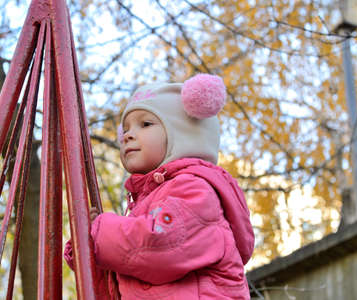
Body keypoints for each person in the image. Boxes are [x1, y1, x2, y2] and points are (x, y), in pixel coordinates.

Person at [65, 74, 254, 299]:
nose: (127, 136)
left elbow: (160, 244)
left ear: (183, 134)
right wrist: (88, 249)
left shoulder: (195, 187)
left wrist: (101, 231)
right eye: (124, 130)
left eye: (145, 124)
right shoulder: (143, 205)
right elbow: (120, 286)